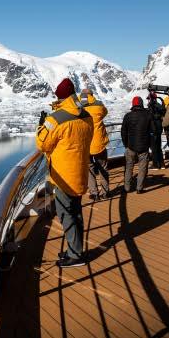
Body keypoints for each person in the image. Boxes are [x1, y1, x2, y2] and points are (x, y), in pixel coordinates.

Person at [37, 78, 94, 267]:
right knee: (76, 212)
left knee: (66, 214)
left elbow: (42, 144)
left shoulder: (55, 119)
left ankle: (75, 255)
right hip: (79, 172)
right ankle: (75, 249)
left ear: (59, 96)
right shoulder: (86, 115)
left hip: (63, 176)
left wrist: (41, 126)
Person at [80, 88, 110, 201]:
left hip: (85, 144)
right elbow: (105, 112)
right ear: (91, 95)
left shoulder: (77, 107)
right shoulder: (99, 105)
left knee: (89, 169)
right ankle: (105, 192)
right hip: (99, 143)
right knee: (103, 168)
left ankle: (94, 193)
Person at [121, 96, 152, 194]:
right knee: (142, 167)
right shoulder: (148, 115)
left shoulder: (128, 116)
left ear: (133, 104)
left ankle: (127, 187)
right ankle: (139, 188)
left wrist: (126, 144)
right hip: (144, 146)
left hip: (131, 146)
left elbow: (123, 132)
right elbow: (152, 130)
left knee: (129, 167)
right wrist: (149, 143)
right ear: (141, 104)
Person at [148, 91, 166, 169]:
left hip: (153, 129)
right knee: (158, 146)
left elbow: (149, 118)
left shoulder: (151, 106)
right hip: (159, 128)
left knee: (153, 147)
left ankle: (155, 165)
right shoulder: (159, 106)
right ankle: (162, 164)